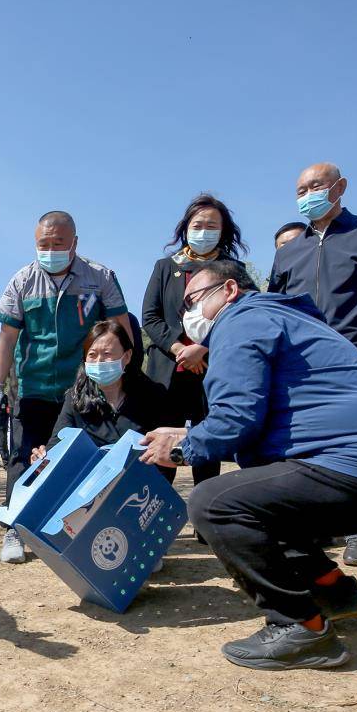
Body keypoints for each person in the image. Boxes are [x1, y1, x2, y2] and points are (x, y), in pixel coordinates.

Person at [142, 261, 357, 670]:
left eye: (193, 300)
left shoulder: (241, 321)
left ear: (229, 291)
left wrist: (184, 451)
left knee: (212, 502)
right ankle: (335, 592)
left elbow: (237, 419)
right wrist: (189, 434)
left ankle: (300, 627)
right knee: (259, 497)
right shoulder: (285, 319)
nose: (188, 312)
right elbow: (267, 417)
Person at [268, 162, 357, 567]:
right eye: (300, 190)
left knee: (356, 442)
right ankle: (314, 523)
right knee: (306, 444)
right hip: (299, 361)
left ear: (339, 186)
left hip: (356, 351)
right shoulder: (289, 251)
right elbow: (275, 306)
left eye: (316, 185)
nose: (308, 194)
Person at [0, 210, 131, 563]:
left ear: (75, 243)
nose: (50, 249)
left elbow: (121, 329)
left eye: (59, 243)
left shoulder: (100, 277)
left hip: (85, 386)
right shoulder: (22, 281)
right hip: (33, 387)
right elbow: (7, 338)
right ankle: (15, 530)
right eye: (43, 243)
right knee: (23, 459)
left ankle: (102, 529)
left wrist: (121, 376)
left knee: (92, 458)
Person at [141, 194, 246, 495]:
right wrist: (179, 349)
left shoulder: (233, 270)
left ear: (223, 230)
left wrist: (204, 347)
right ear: (186, 227)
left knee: (207, 443)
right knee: (160, 443)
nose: (203, 230)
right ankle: (154, 514)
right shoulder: (165, 267)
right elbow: (151, 316)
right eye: (197, 224)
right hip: (168, 372)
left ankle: (206, 518)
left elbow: (243, 314)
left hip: (212, 370)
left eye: (211, 225)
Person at [31, 320, 164, 463]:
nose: (99, 361)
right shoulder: (75, 398)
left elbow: (163, 454)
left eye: (107, 353)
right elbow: (57, 445)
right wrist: (42, 459)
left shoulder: (152, 396)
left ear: (127, 356)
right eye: (92, 354)